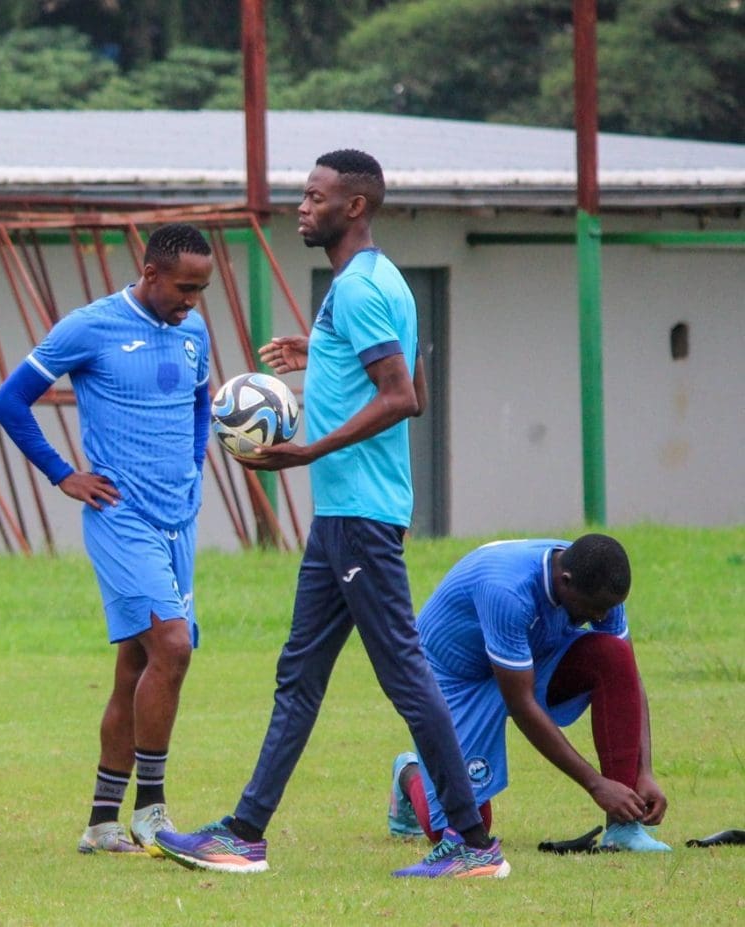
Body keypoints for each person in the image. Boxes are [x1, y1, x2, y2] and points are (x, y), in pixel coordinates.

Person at [155, 149, 510, 879]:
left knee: (407, 675)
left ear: (354, 206)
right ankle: (245, 831)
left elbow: (404, 396)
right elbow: (395, 373)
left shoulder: (360, 290)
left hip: (360, 513)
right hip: (344, 515)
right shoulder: (371, 283)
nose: (301, 206)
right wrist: (321, 351)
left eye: (315, 197)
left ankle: (474, 843)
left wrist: (309, 449)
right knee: (300, 672)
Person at [0, 223, 214, 856]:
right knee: (172, 647)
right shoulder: (89, 327)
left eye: (201, 290)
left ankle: (101, 822)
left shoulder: (193, 329)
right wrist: (64, 474)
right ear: (148, 274)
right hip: (121, 517)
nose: (192, 301)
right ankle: (152, 810)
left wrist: (195, 461)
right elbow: (10, 402)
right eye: (183, 288)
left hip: (178, 519)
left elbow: (202, 401)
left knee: (136, 667)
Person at [390, 535, 669, 852]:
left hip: (527, 656)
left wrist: (643, 772)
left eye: (606, 610)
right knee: (459, 831)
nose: (601, 618)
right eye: (593, 610)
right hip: (455, 675)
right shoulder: (507, 591)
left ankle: (623, 829)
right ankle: (409, 772)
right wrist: (596, 784)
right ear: (565, 582)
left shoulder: (596, 582)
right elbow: (521, 703)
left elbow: (629, 676)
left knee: (613, 655)